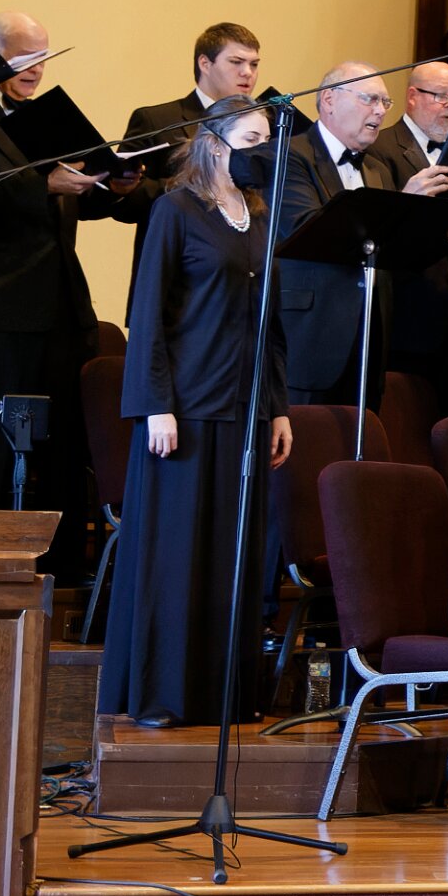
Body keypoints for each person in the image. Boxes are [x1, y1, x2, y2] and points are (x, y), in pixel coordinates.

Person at [97, 99, 294, 728]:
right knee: (178, 554)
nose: (263, 152)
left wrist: (278, 408)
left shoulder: (260, 214)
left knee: (231, 554)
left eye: (267, 141)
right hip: (184, 409)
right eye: (251, 140)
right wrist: (155, 405)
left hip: (245, 409)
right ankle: (163, 695)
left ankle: (222, 696)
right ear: (214, 144)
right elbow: (149, 313)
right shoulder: (175, 210)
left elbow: (271, 324)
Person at [0, 13, 142, 577]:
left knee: (62, 443)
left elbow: (74, 195)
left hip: (62, 307)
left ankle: (60, 573)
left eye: (43, 58)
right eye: (23, 59)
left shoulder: (49, 117)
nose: (35, 70)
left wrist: (113, 184)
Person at [274, 63, 448, 409]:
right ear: (329, 100)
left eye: (385, 102)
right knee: (307, 439)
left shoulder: (376, 167)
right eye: (369, 99)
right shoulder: (289, 154)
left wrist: (439, 212)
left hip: (371, 338)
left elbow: (391, 250)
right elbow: (309, 231)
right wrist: (403, 203)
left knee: (362, 439)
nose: (380, 111)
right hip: (313, 334)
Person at [120, 21, 263, 306]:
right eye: (236, 62)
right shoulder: (157, 120)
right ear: (205, 63)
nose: (248, 73)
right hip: (176, 282)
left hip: (245, 283)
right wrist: (195, 186)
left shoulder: (264, 127)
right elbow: (125, 203)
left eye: (254, 64)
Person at [366, 62, 448, 390]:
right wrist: (410, 201)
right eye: (441, 96)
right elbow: (377, 230)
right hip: (403, 311)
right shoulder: (380, 146)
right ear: (412, 96)